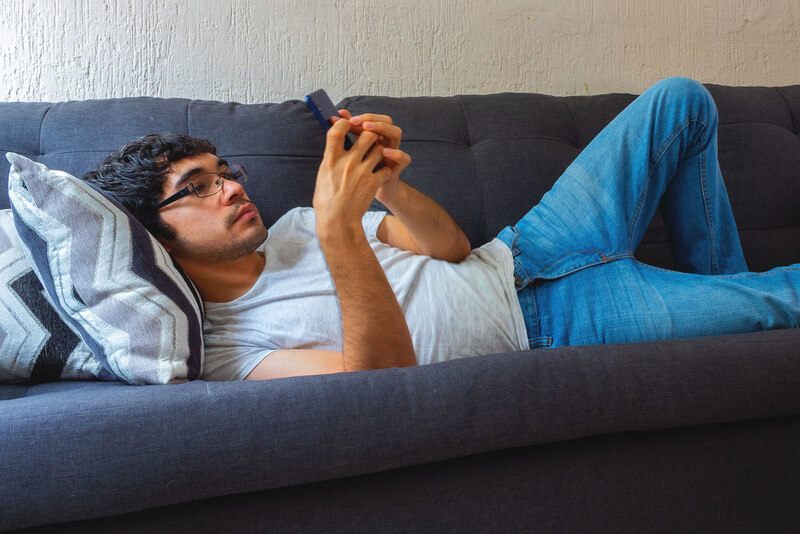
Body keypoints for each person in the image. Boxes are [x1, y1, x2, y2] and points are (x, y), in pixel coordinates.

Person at [82, 76, 800, 382]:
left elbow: (450, 248)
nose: (232, 186)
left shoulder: (297, 224)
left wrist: (389, 186)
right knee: (783, 303)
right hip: (553, 327)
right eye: (196, 187)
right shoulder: (230, 349)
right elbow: (381, 383)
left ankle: (718, 299)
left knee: (680, 102)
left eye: (224, 169)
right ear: (155, 235)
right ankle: (728, 309)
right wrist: (339, 237)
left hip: (526, 248)